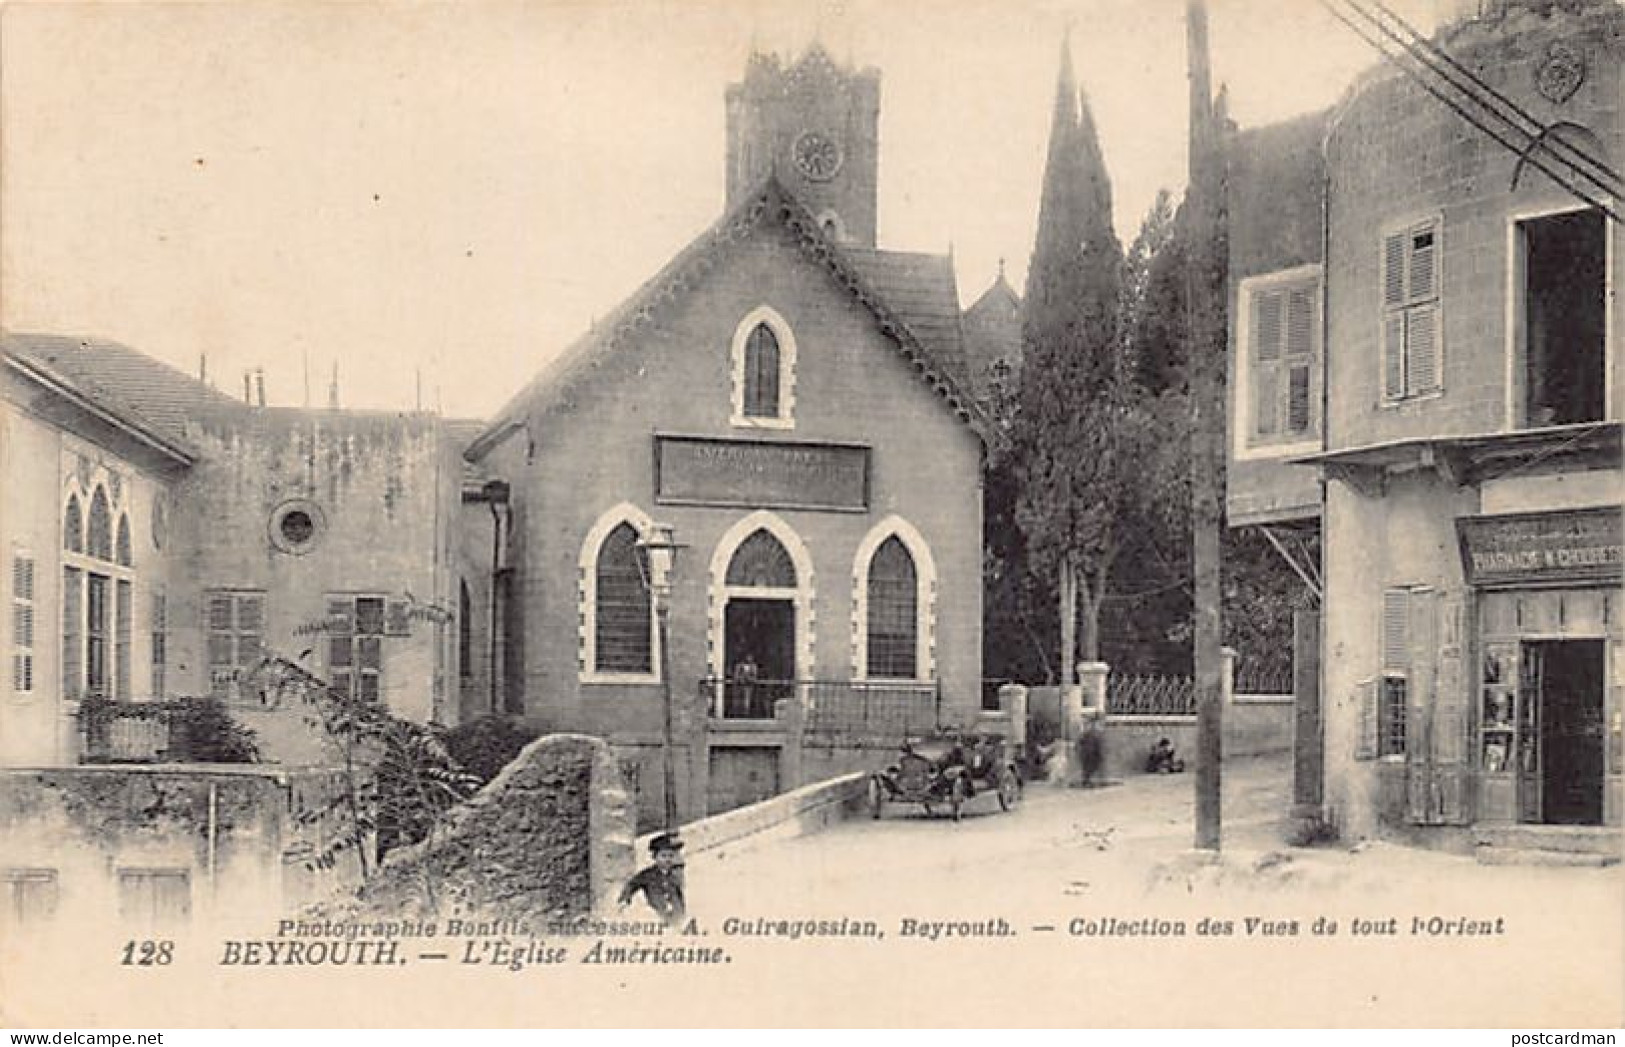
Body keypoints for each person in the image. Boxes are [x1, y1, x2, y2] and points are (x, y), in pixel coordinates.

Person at [618, 831, 686, 926]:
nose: (667, 860)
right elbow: (632, 884)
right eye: (663, 856)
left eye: (670, 856)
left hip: (675, 916)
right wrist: (624, 899)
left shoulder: (674, 876)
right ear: (654, 857)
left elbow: (679, 895)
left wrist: (682, 914)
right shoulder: (648, 875)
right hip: (656, 916)